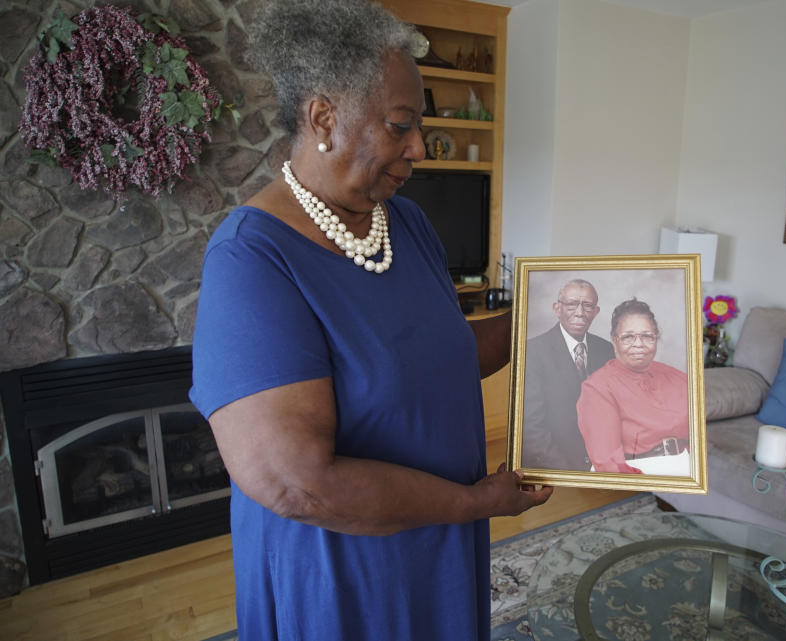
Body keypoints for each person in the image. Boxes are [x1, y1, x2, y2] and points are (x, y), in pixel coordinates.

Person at [188, 2, 552, 640]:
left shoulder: (405, 222)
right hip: (345, 569)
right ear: (323, 117)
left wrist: (546, 319)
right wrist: (472, 504)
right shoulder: (251, 258)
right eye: (399, 124)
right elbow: (299, 485)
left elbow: (437, 355)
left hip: (437, 541)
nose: (419, 146)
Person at [577, 298, 689, 474]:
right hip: (638, 470)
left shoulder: (677, 377)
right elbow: (608, 463)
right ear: (614, 341)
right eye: (628, 337)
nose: (638, 344)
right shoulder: (597, 388)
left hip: (685, 463)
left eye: (646, 336)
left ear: (656, 338)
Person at [521, 279, 615, 470]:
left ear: (596, 312)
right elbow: (532, 430)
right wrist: (571, 474)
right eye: (572, 304)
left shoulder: (606, 350)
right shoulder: (532, 351)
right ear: (557, 308)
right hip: (554, 465)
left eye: (587, 305)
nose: (580, 312)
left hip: (599, 463)